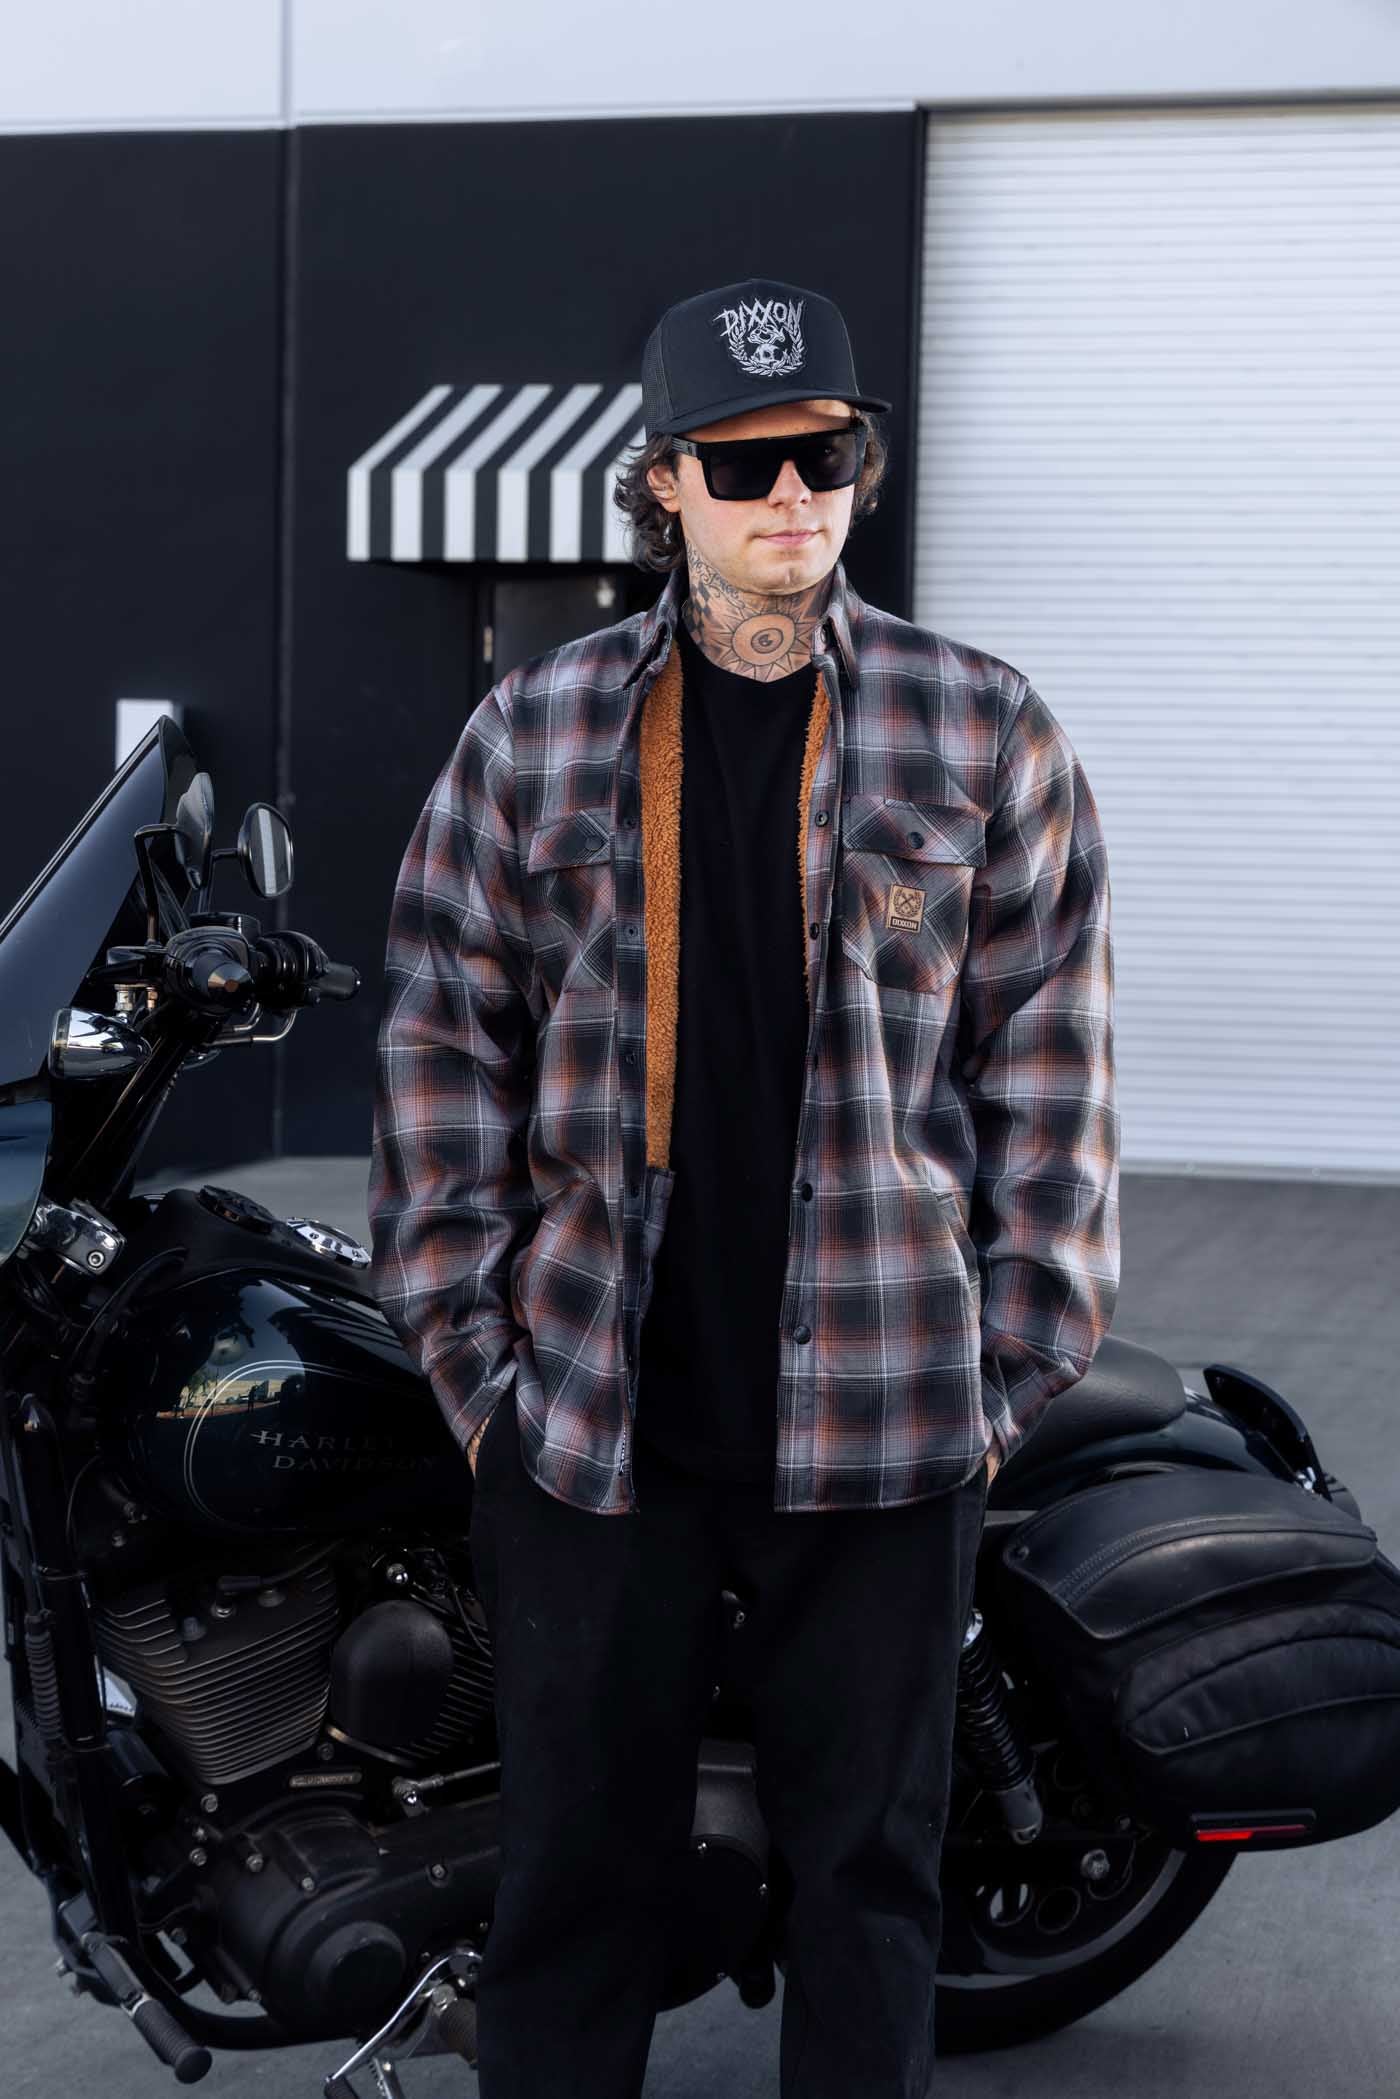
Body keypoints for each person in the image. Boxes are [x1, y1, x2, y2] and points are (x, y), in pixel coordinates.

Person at [368, 276, 1119, 2099]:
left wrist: (1000, 1381)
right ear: (663, 485)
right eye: (744, 461)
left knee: (870, 1892)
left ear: (864, 466)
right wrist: (481, 1383)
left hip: (890, 1428)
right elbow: (440, 1056)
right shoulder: (533, 735)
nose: (793, 494)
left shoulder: (983, 729)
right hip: (594, 1427)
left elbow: (1053, 1083)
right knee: (570, 1898)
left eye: (827, 454)